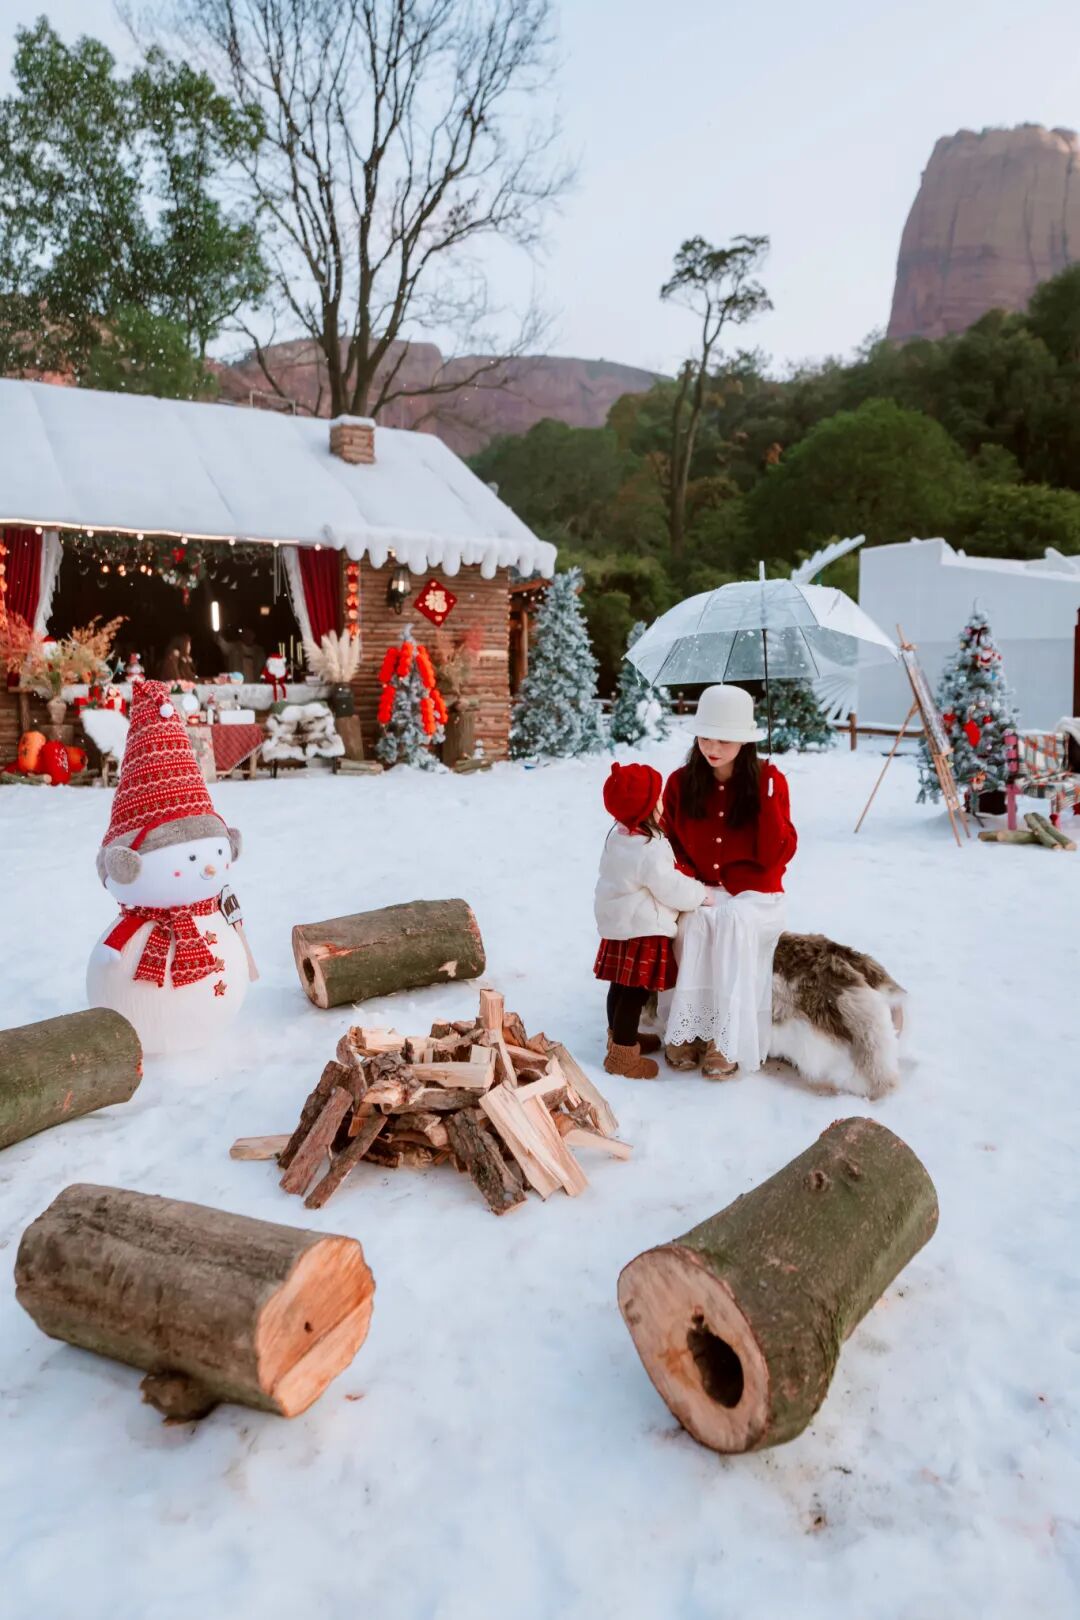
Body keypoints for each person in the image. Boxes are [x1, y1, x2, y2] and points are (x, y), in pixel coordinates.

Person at [662, 684, 798, 1080]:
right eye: (705, 736)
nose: (712, 747)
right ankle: (688, 1031)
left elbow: (777, 856)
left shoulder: (769, 782)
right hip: (702, 887)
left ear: (744, 739)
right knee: (695, 923)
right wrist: (693, 887)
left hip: (757, 894)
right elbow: (671, 847)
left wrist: (769, 803)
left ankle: (726, 1039)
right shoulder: (680, 783)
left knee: (733, 923)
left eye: (723, 738)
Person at [594, 761, 711, 1080]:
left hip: (619, 925)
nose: (662, 802)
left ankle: (620, 1039)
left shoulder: (619, 837)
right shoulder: (649, 847)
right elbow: (670, 887)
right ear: (647, 808)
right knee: (634, 993)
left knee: (619, 988)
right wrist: (700, 893)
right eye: (657, 797)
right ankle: (622, 1056)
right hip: (641, 930)